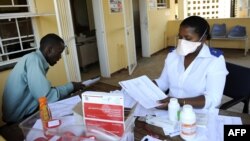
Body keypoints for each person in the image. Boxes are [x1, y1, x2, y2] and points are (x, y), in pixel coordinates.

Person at [2, 33, 85, 123]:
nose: (60, 57)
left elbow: (41, 92)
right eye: (59, 53)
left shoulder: (33, 58)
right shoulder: (34, 60)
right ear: (49, 50)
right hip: (18, 119)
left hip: (21, 113)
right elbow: (47, 97)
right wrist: (71, 86)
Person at [154, 16, 228, 110]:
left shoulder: (214, 60)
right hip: (169, 109)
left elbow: (213, 98)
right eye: (180, 37)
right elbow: (163, 82)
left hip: (197, 113)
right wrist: (144, 86)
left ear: (203, 38)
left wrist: (178, 102)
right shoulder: (173, 55)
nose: (182, 42)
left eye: (188, 38)